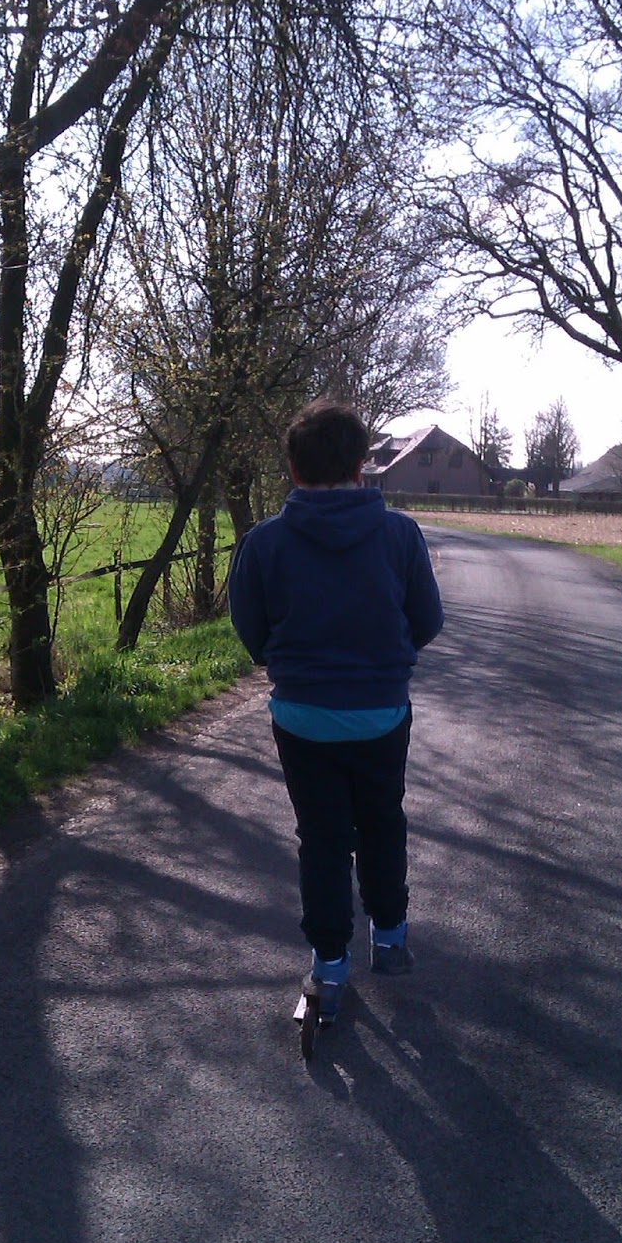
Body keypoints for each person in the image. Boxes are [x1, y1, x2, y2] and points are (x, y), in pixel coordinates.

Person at [228, 399, 443, 1023]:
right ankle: (391, 936)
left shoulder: (264, 542)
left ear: (294, 469)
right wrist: (385, 662)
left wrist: (288, 664)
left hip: (303, 716)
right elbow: (427, 620)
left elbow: (250, 627)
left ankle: (329, 965)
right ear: (360, 466)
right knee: (382, 820)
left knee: (321, 838)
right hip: (380, 712)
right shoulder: (400, 535)